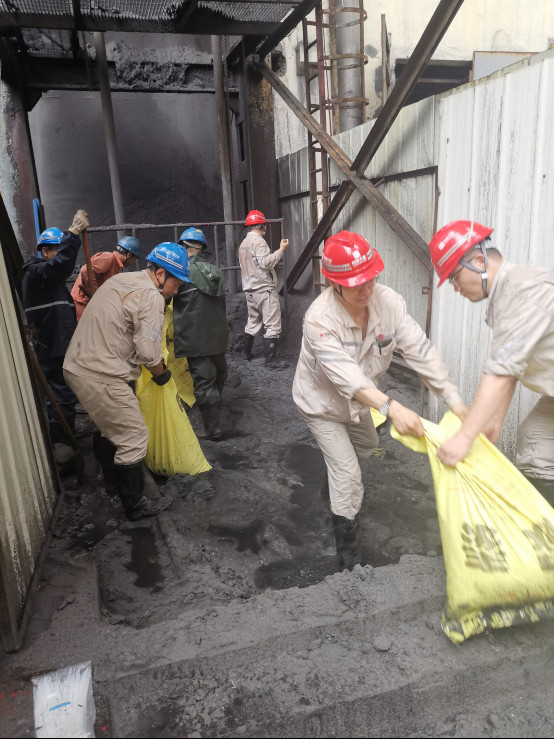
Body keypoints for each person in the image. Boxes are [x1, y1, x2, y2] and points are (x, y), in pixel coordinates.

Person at [292, 230, 467, 569]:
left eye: (370, 278)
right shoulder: (319, 319)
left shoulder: (389, 303)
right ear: (334, 283)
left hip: (361, 404)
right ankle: (348, 560)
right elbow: (348, 377)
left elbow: (420, 350)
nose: (366, 289)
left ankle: (335, 478)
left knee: (367, 446)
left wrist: (454, 399)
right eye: (355, 283)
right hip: (322, 405)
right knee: (348, 475)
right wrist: (391, 407)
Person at [63, 242, 191, 521]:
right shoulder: (151, 296)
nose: (176, 290)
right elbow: (148, 351)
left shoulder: (123, 280)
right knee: (134, 435)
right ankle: (134, 504)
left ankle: (112, 484)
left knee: (110, 427)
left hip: (79, 364)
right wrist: (162, 374)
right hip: (99, 373)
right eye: (177, 283)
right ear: (161, 274)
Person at [429, 219, 554, 502]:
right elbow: (512, 368)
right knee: (535, 444)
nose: (455, 287)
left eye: (454, 277)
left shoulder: (519, 295)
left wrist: (465, 437)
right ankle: (545, 521)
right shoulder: (506, 294)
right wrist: (494, 421)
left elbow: (500, 374)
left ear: (478, 262)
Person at [22, 209, 90, 446]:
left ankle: (65, 437)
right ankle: (62, 445)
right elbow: (59, 266)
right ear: (44, 252)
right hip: (53, 346)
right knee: (61, 394)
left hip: (58, 343)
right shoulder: (36, 273)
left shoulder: (47, 279)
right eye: (57, 250)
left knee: (64, 392)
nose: (61, 255)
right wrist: (73, 234)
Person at [173, 227, 229, 441]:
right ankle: (216, 407)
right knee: (219, 372)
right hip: (217, 336)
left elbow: (167, 298)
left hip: (195, 338)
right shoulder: (216, 271)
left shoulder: (182, 272)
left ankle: (212, 429)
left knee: (204, 381)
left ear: (185, 247)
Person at [238, 209, 290, 369]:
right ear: (264, 227)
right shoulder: (259, 242)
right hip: (264, 290)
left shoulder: (243, 244)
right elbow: (266, 263)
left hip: (250, 291)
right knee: (272, 324)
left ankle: (246, 354)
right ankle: (271, 361)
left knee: (253, 322)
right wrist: (281, 250)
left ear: (248, 227)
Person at [71, 235, 140, 321]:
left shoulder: (115, 265)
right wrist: (95, 292)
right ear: (129, 255)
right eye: (134, 258)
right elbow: (85, 270)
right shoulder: (109, 258)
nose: (133, 262)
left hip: (88, 305)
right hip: (81, 304)